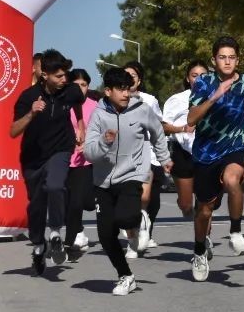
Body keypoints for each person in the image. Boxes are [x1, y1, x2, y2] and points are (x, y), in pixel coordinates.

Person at [184, 36, 244, 282]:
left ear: (237, 60)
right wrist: (216, 95)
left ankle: (236, 232)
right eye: (222, 57)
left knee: (232, 180)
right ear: (213, 60)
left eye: (231, 57)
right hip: (206, 151)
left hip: (236, 145)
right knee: (204, 210)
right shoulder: (204, 83)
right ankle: (199, 251)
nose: (227, 62)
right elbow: (191, 119)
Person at [83, 67, 172, 295]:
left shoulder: (141, 110)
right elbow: (89, 153)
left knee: (126, 217)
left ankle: (138, 221)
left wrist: (164, 159)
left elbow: (157, 133)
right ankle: (126, 276)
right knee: (105, 236)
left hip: (132, 173)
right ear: (108, 91)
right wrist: (104, 141)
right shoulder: (98, 114)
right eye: (120, 90)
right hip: (103, 181)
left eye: (128, 89)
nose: (125, 94)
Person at [9, 49, 86, 274]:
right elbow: (13, 131)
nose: (65, 80)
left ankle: (54, 232)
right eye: (59, 76)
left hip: (61, 149)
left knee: (55, 185)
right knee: (36, 205)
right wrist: (32, 114)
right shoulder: (28, 97)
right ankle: (39, 245)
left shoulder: (70, 90)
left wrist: (80, 125)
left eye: (66, 75)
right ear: (45, 75)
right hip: (33, 157)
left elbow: (78, 102)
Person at [123, 60, 165, 254]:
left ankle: (142, 221)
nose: (128, 79)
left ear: (139, 81)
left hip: (145, 155)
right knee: (126, 198)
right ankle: (133, 237)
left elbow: (158, 128)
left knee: (145, 196)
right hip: (121, 157)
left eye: (132, 76)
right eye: (125, 75)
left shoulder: (149, 100)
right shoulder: (113, 100)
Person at [161, 62, 208, 220]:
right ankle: (185, 206)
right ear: (188, 79)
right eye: (195, 76)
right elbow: (164, 127)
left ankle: (203, 236)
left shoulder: (215, 97)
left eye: (203, 76)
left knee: (206, 202)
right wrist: (182, 129)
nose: (199, 79)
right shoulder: (177, 99)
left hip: (208, 151)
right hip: (183, 153)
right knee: (187, 205)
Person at [64, 69, 100, 257]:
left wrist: (88, 143)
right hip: (63, 160)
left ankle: (74, 234)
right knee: (66, 203)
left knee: (81, 202)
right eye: (76, 85)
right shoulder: (62, 104)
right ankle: (72, 239)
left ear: (88, 87)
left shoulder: (95, 106)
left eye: (84, 85)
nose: (80, 89)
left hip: (85, 162)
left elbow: (103, 131)